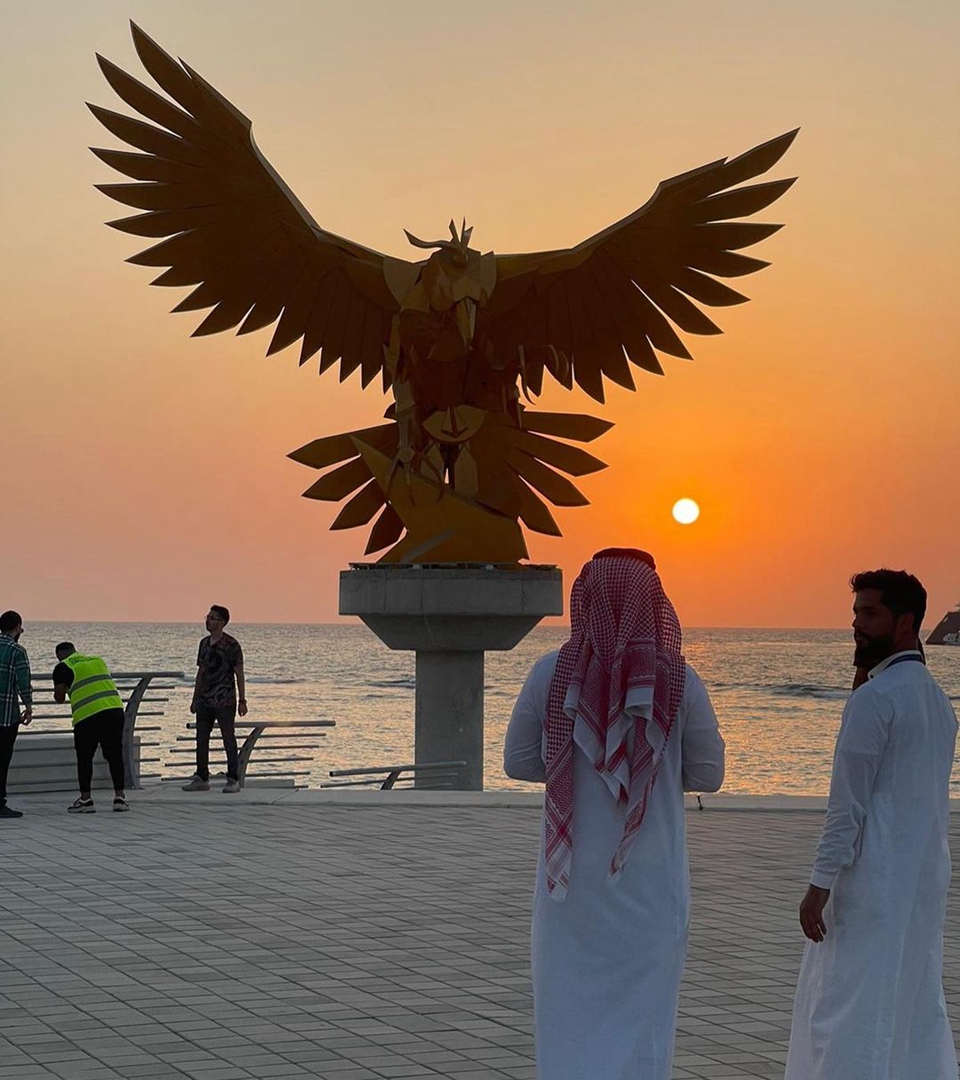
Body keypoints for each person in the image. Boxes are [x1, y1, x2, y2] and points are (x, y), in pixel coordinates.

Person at [503, 549, 725, 1080]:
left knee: (569, 1021)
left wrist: (571, 767)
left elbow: (517, 761)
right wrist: (652, 771)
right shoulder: (679, 680)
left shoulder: (551, 674)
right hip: (650, 891)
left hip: (569, 894)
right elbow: (709, 773)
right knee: (643, 1027)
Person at [785, 569, 959, 1080]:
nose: (856, 624)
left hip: (872, 883)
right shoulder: (933, 698)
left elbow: (848, 809)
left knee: (847, 1010)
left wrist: (818, 887)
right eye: (856, 612)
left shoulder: (876, 701)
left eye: (870, 613)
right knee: (909, 1005)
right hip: (921, 882)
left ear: (906, 622)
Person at [53, 643, 129, 813]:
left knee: (85, 758)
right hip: (114, 710)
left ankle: (86, 800)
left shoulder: (62, 667)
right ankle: (120, 798)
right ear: (75, 651)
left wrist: (62, 686)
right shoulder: (97, 660)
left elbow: (59, 697)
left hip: (87, 716)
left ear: (59, 656)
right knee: (115, 755)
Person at [183, 605, 247, 793]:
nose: (208, 621)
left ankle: (233, 778)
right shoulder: (204, 644)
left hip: (225, 700)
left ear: (222, 622)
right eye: (207, 617)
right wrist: (195, 698)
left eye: (212, 618)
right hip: (205, 700)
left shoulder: (232, 645)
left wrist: (243, 700)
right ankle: (202, 776)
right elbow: (200, 672)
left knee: (228, 737)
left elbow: (239, 673)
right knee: (201, 737)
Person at [0, 610, 33, 819]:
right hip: (5, 717)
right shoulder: (17, 651)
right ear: (17, 627)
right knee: (2, 760)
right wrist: (28, 707)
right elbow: (23, 683)